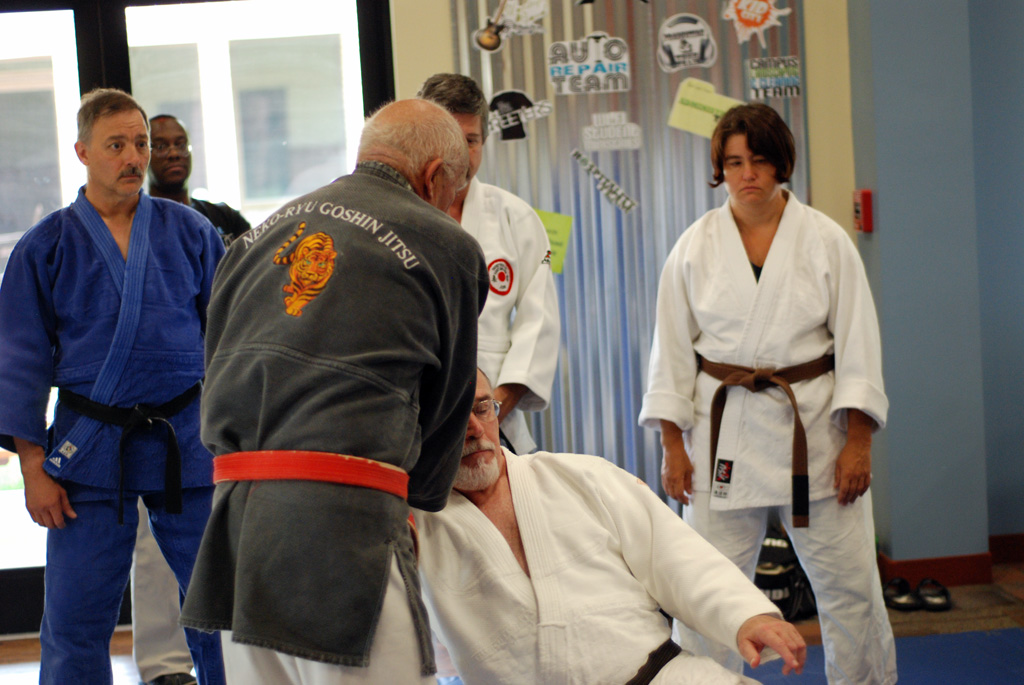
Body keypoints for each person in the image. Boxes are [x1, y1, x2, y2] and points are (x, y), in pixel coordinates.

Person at [179, 98, 489, 684]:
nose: (454, 209)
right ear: (433, 177)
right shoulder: (444, 243)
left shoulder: (254, 238)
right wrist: (422, 493)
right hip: (346, 531)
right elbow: (448, 406)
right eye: (455, 193)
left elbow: (216, 363)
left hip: (236, 532)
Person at [638, 103, 895, 684]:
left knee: (851, 591)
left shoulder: (826, 241)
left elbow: (858, 345)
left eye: (758, 160)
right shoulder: (694, 246)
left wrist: (859, 442)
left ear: (781, 163)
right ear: (719, 170)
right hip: (723, 437)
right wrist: (673, 446)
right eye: (733, 162)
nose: (746, 173)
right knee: (706, 594)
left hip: (817, 439)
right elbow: (671, 352)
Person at [0, 88, 225, 684]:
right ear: (82, 152)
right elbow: (18, 360)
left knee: (220, 610)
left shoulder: (192, 232)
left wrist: (238, 444)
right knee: (75, 617)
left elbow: (231, 340)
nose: (134, 157)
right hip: (90, 445)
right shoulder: (46, 245)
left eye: (140, 144)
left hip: (188, 440)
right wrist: (33, 467)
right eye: (116, 145)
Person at [415, 369, 807, 685]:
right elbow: (411, 654)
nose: (474, 428)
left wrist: (746, 615)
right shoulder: (416, 531)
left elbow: (674, 555)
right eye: (451, 415)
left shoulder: (579, 476)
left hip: (662, 676)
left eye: (482, 408)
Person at [418, 73, 560, 454]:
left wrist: (490, 410)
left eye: (472, 140)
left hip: (498, 417)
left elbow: (538, 323)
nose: (462, 154)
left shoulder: (516, 217)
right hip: (418, 421)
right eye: (450, 139)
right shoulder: (397, 217)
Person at [147, 114, 251, 246]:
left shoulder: (226, 217)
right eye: (161, 147)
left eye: (181, 144)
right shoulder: (137, 223)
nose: (174, 154)